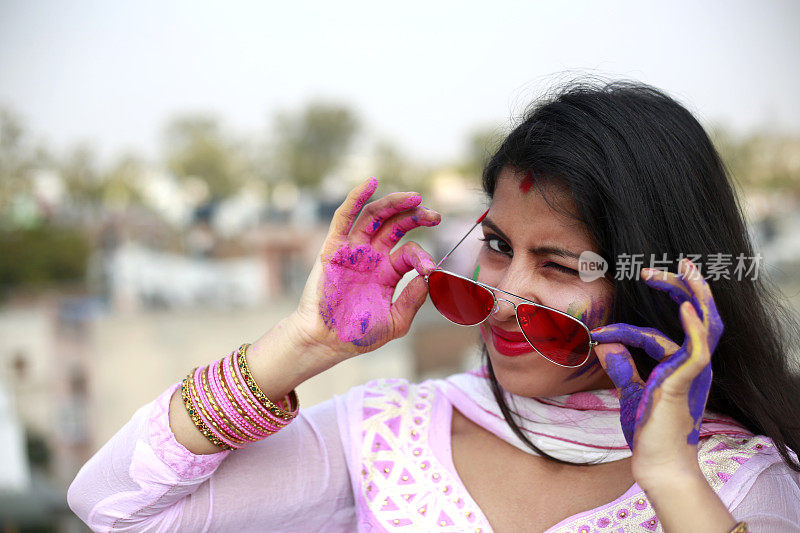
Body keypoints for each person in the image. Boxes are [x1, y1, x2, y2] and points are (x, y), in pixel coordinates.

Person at [68, 79, 800, 532]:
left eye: (560, 265)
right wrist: (305, 341)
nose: (508, 298)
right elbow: (112, 506)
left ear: (663, 281)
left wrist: (670, 475)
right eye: (498, 247)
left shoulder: (741, 479)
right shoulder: (393, 435)